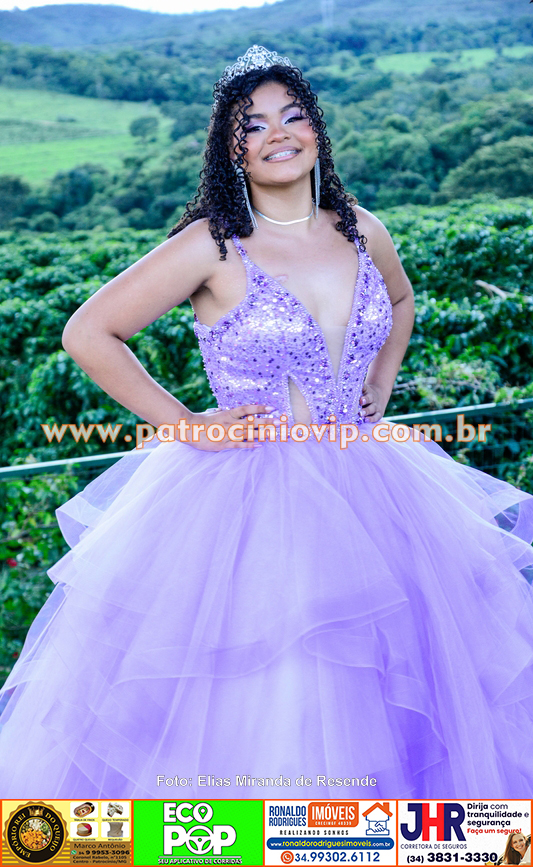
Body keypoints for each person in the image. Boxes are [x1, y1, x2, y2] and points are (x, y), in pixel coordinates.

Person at [1, 45, 533, 799]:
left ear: (317, 127)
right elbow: (88, 333)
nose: (278, 133)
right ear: (231, 148)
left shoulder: (361, 229)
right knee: (282, 693)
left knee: (408, 687)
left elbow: (401, 298)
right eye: (252, 125)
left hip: (378, 487)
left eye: (293, 115)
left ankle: (382, 843)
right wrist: (186, 424)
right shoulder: (211, 243)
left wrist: (381, 379)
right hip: (252, 503)